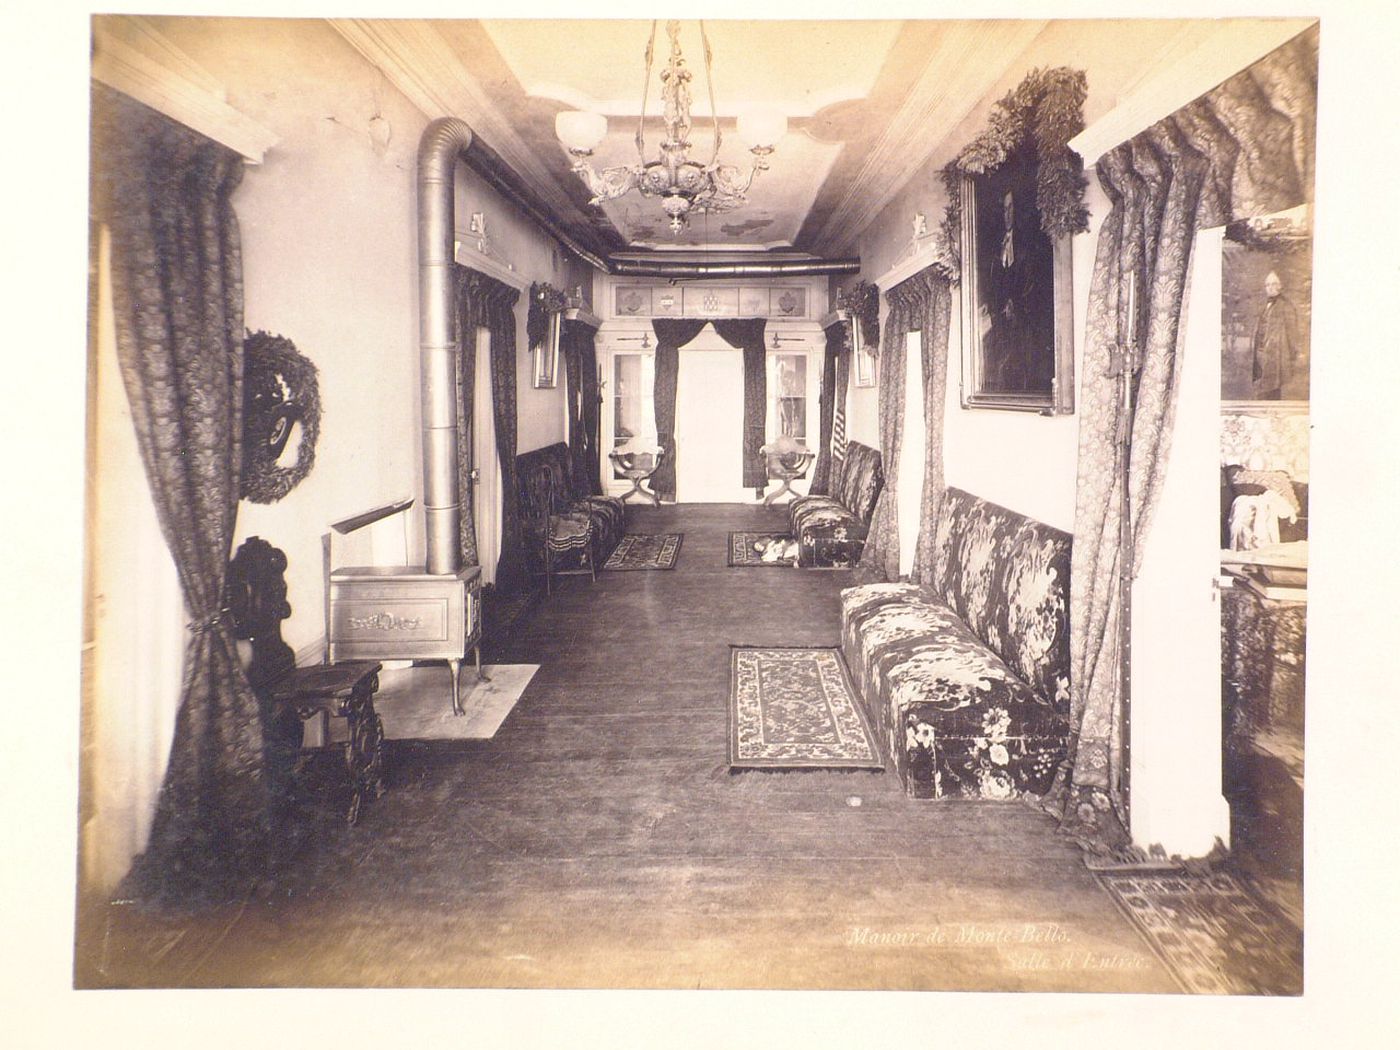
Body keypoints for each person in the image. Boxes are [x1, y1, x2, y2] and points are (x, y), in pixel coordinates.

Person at [1251, 271, 1304, 399]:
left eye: (1274, 284)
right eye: (1267, 284)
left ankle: (1272, 414)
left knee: (1272, 388)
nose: (1270, 287)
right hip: (1261, 353)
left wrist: (1294, 354)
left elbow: (1293, 332)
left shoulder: (1286, 306)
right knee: (1262, 385)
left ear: (1280, 286)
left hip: (1277, 354)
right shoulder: (1265, 305)